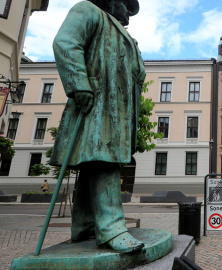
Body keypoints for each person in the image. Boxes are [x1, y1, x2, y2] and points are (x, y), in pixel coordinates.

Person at [49, 0, 145, 253]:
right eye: (127, 7)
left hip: (117, 109)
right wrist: (78, 84)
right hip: (99, 103)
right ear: (113, 2)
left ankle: (85, 225)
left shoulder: (123, 33)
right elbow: (65, 42)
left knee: (92, 164)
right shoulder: (89, 11)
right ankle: (112, 229)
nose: (129, 15)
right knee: (104, 160)